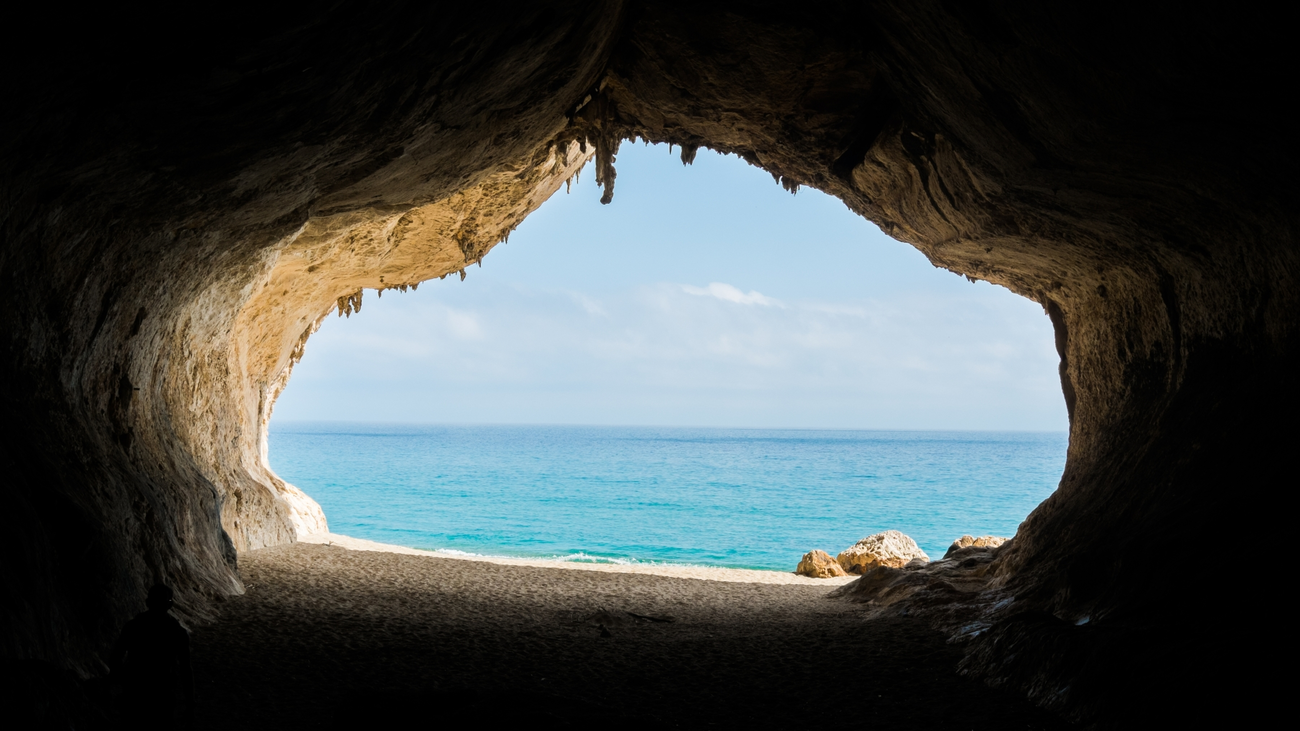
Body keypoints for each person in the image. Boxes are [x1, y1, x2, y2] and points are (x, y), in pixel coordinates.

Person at [109, 584, 195, 729]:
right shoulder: (177, 633)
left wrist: (121, 681)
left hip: (135, 692)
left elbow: (116, 657)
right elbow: (186, 669)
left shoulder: (133, 627)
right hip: (162, 693)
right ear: (170, 605)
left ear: (148, 602)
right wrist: (190, 702)